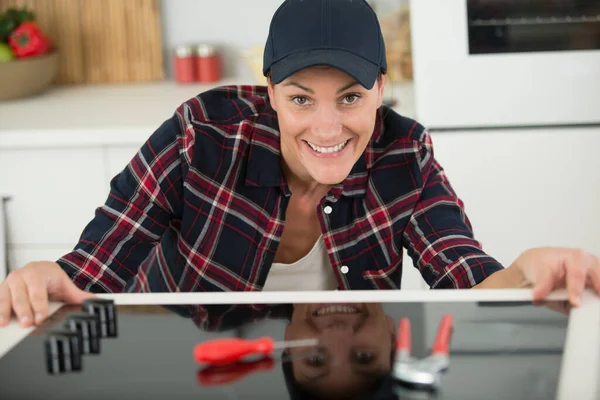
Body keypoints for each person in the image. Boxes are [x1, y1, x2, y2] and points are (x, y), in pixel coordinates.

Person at [0, 0, 599, 328]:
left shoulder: (404, 153)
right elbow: (95, 266)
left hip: (349, 375)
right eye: (300, 99)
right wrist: (47, 278)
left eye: (351, 98)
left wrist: (526, 269)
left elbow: (468, 279)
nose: (328, 128)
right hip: (189, 364)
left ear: (381, 89)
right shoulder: (201, 134)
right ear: (269, 92)